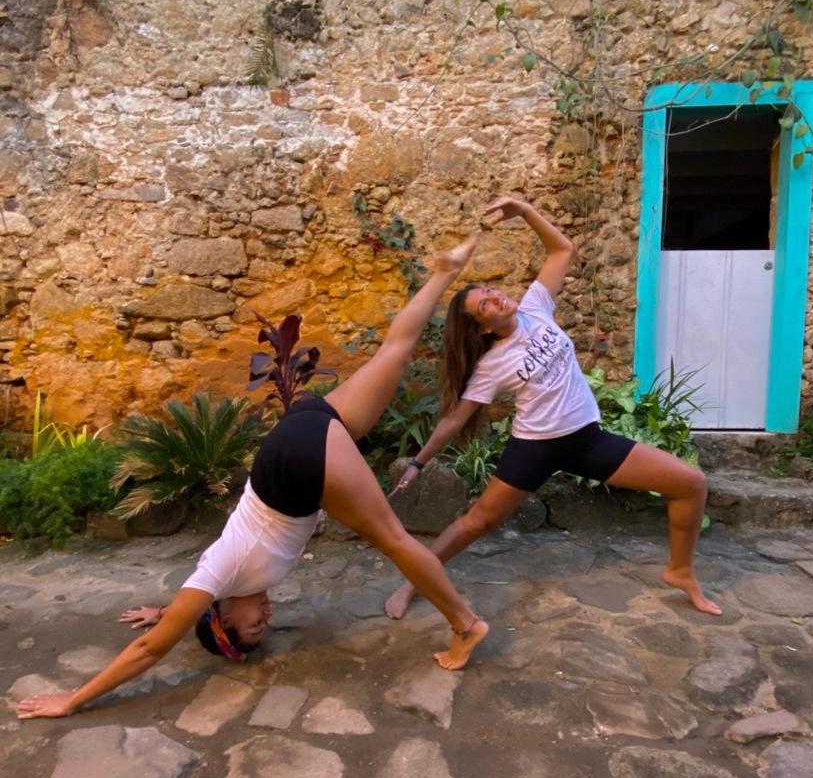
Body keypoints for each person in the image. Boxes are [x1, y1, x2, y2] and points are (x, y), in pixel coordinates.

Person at [17, 235, 489, 720]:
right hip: (295, 433)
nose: (267, 617)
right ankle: (445, 271)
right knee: (394, 350)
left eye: (253, 626)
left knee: (391, 538)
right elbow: (186, 608)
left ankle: (466, 624)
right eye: (264, 628)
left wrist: (72, 699)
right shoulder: (215, 582)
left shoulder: (221, 572)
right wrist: (165, 614)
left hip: (295, 467)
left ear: (221, 615)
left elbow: (151, 651)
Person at [384, 196, 721, 623]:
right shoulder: (489, 366)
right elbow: (456, 418)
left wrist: (525, 211)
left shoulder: (535, 307)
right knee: (475, 523)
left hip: (586, 440)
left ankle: (680, 571)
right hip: (535, 448)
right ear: (481, 327)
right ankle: (414, 581)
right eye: (484, 305)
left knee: (690, 483)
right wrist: (417, 462)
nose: (494, 298)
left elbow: (563, 250)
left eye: (489, 291)